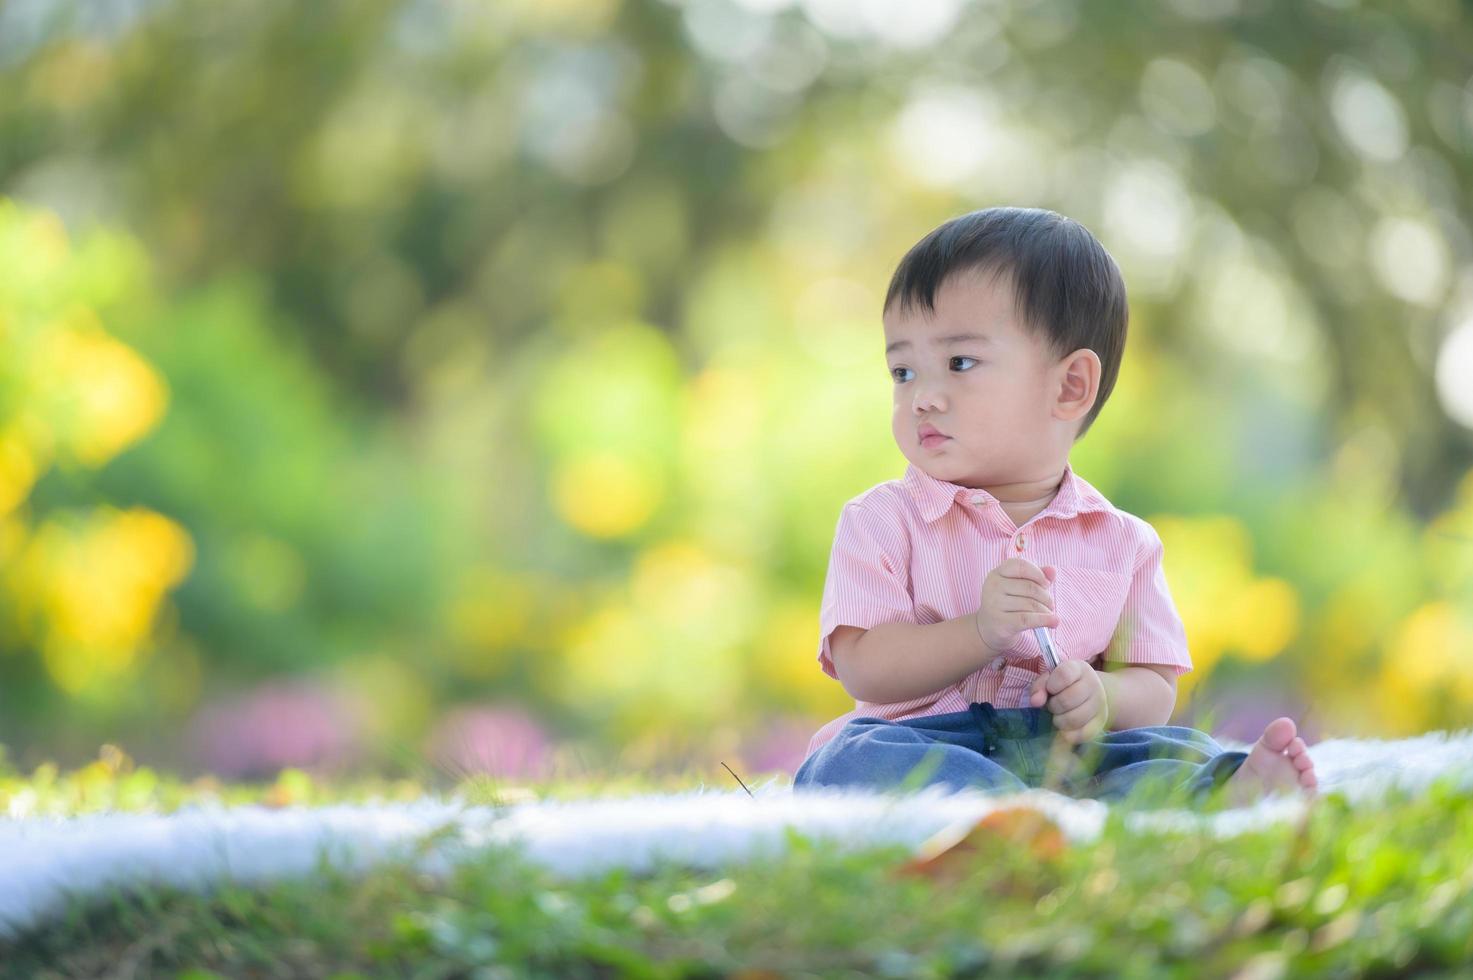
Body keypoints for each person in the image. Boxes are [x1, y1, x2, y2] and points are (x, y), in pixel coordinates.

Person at [792, 207, 1318, 809]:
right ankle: (1007, 815)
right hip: (927, 742)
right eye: (903, 371)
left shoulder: (1123, 542)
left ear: (1070, 387)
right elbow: (865, 667)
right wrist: (980, 633)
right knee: (847, 758)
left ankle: (1220, 789)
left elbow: (1153, 685)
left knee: (1169, 748)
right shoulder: (881, 521)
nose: (922, 398)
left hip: (1066, 749)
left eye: (959, 363)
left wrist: (1100, 696)